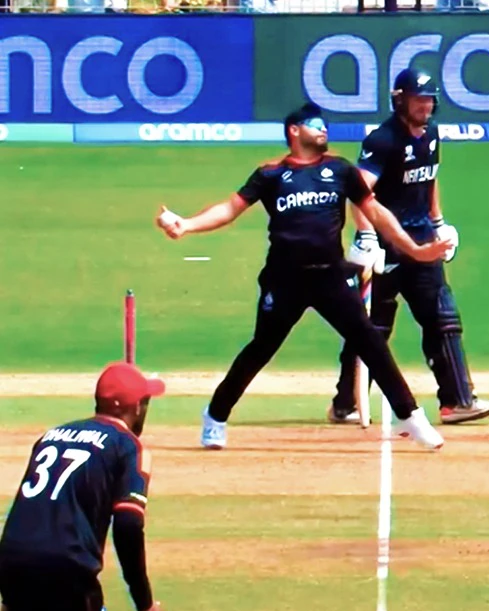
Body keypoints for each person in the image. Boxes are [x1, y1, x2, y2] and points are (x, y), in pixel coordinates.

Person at [154, 102, 454, 451]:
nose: (323, 129)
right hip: (284, 280)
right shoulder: (271, 174)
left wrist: (415, 250)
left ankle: (411, 417)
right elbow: (230, 209)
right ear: (294, 131)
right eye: (314, 124)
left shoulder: (340, 170)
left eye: (324, 124)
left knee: (370, 342)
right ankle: (215, 415)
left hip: (331, 277)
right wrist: (186, 225)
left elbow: (375, 212)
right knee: (261, 349)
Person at [327, 68, 489, 427]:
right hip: (385, 248)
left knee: (442, 318)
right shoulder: (383, 140)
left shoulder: (431, 135)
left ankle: (457, 401)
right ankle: (346, 404)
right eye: (419, 100)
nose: (426, 106)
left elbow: (429, 179)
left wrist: (439, 223)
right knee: (371, 328)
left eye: (429, 99)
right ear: (400, 100)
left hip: (422, 243)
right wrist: (366, 236)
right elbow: (360, 192)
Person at [0, 362, 170, 611]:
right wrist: (144, 602)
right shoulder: (127, 445)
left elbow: (31, 508)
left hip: (12, 564)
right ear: (135, 407)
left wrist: (10, 599)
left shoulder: (51, 436)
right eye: (145, 402)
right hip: (66, 570)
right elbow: (128, 525)